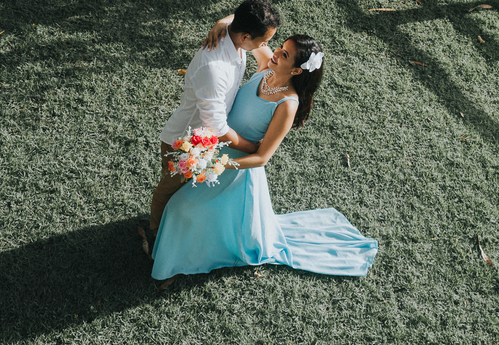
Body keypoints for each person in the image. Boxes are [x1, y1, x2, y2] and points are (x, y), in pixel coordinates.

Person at [149, 34, 378, 282]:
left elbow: (262, 158)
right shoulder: (267, 67)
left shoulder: (287, 105)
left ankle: (175, 263)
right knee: (178, 203)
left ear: (297, 72)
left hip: (236, 169)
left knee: (181, 207)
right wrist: (221, 25)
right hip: (215, 152)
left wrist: (220, 164)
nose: (276, 53)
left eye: (285, 55)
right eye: (281, 47)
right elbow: (252, 34)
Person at [147, 0, 281, 239]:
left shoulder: (234, 36)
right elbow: (216, 127)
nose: (266, 46)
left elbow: (234, 18)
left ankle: (177, 229)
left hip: (206, 138)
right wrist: (254, 148)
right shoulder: (214, 69)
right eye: (264, 41)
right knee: (169, 190)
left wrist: (222, 21)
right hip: (186, 143)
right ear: (245, 37)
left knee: (189, 193)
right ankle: (155, 235)